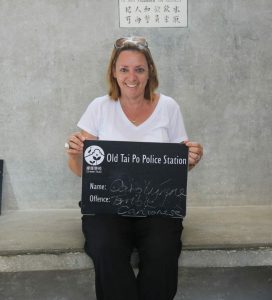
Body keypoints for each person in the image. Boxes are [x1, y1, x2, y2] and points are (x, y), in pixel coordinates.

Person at [65, 36, 203, 300]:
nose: (132, 77)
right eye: (124, 69)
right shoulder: (99, 107)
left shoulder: (168, 107)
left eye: (139, 69)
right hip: (107, 207)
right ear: (114, 73)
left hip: (158, 207)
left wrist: (192, 158)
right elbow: (83, 170)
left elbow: (177, 167)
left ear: (149, 72)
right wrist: (74, 154)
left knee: (164, 248)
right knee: (104, 246)